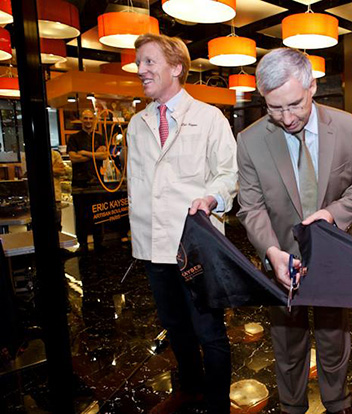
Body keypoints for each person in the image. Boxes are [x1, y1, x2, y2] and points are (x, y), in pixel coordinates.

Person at [237, 48, 352, 414]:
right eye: (274, 108)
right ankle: (291, 406)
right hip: (281, 257)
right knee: (286, 343)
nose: (286, 118)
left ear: (312, 86)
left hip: (334, 256)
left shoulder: (347, 127)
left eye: (295, 105)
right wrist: (271, 252)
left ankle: (336, 402)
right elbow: (250, 206)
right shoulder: (251, 141)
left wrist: (332, 215)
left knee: (334, 338)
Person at [126, 33, 238, 414]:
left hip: (196, 246)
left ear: (176, 67)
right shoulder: (137, 124)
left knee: (210, 332)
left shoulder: (209, 118)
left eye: (149, 62)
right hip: (155, 246)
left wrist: (212, 197)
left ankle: (218, 403)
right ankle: (190, 389)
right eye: (139, 62)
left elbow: (228, 176)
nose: (140, 70)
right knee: (176, 328)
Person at [67, 109, 108, 252]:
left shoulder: (100, 137)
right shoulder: (74, 138)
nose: (88, 121)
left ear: (94, 120)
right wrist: (94, 154)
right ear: (81, 120)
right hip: (79, 182)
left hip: (97, 182)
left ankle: (99, 243)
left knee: (99, 215)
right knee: (81, 216)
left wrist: (84, 153)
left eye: (91, 118)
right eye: (86, 118)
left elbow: (104, 156)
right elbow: (73, 158)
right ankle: (82, 244)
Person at [51, 149, 69, 230]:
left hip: (56, 195)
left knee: (57, 223)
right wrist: (53, 169)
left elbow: (61, 171)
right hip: (39, 198)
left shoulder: (55, 154)